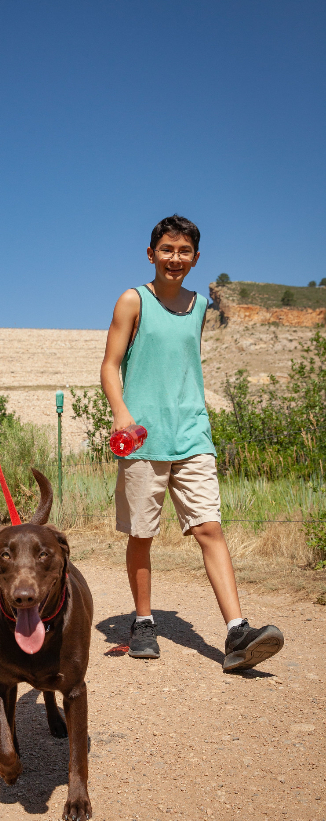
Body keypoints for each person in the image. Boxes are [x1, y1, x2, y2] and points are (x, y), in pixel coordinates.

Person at [100, 214, 284, 671]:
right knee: (142, 534)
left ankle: (237, 631)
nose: (175, 259)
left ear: (196, 258)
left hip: (193, 434)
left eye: (184, 252)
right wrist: (122, 414)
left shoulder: (200, 306)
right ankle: (143, 622)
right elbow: (110, 365)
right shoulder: (133, 300)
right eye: (167, 250)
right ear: (151, 253)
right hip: (143, 438)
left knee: (209, 528)